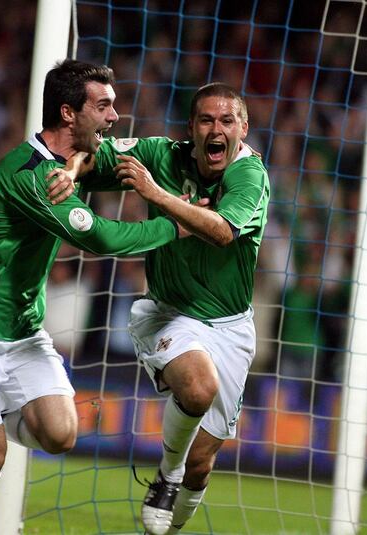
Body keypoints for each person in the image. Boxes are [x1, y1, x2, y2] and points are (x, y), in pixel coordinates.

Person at [0, 59, 185, 535]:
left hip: (22, 329)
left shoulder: (74, 159)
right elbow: (102, 239)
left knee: (62, 435)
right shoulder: (31, 175)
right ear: (69, 113)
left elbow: (133, 155)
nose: (114, 115)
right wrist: (176, 223)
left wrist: (180, 152)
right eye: (103, 106)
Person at [63, 82, 269, 535]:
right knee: (197, 389)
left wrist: (156, 196)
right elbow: (92, 153)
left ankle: (175, 492)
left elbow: (221, 230)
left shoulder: (250, 175)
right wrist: (74, 167)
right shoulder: (159, 153)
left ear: (243, 129)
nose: (217, 129)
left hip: (231, 326)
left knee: (202, 465)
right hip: (168, 311)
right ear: (191, 129)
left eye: (227, 121)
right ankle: (167, 477)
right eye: (207, 120)